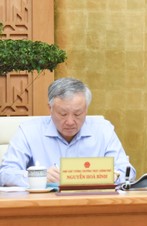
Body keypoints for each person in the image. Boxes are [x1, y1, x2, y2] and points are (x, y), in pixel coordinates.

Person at [0, 77, 135, 187]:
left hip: (93, 205)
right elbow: (5, 174)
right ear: (50, 108)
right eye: (63, 114)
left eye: (77, 114)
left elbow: (128, 171)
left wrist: (113, 175)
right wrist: (39, 177)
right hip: (45, 208)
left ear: (86, 109)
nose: (70, 122)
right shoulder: (29, 130)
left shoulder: (103, 129)